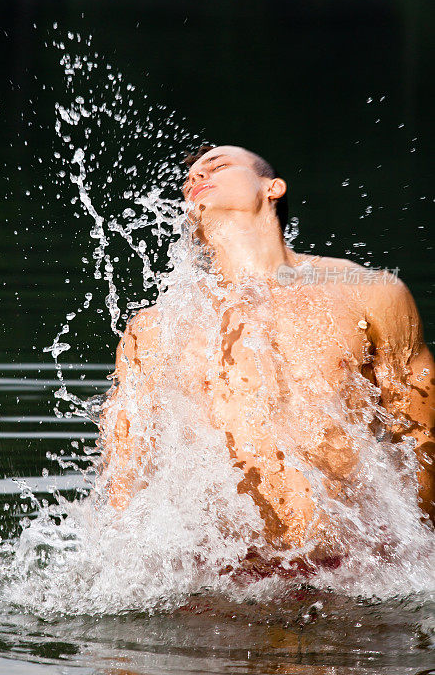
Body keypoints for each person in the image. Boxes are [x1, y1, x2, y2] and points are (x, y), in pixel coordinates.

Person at [98, 144, 434, 568]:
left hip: (350, 566)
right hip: (220, 576)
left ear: (272, 187)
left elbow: (419, 438)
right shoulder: (154, 328)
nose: (196, 178)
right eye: (189, 180)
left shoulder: (368, 290)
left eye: (216, 165)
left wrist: (417, 559)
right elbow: (124, 470)